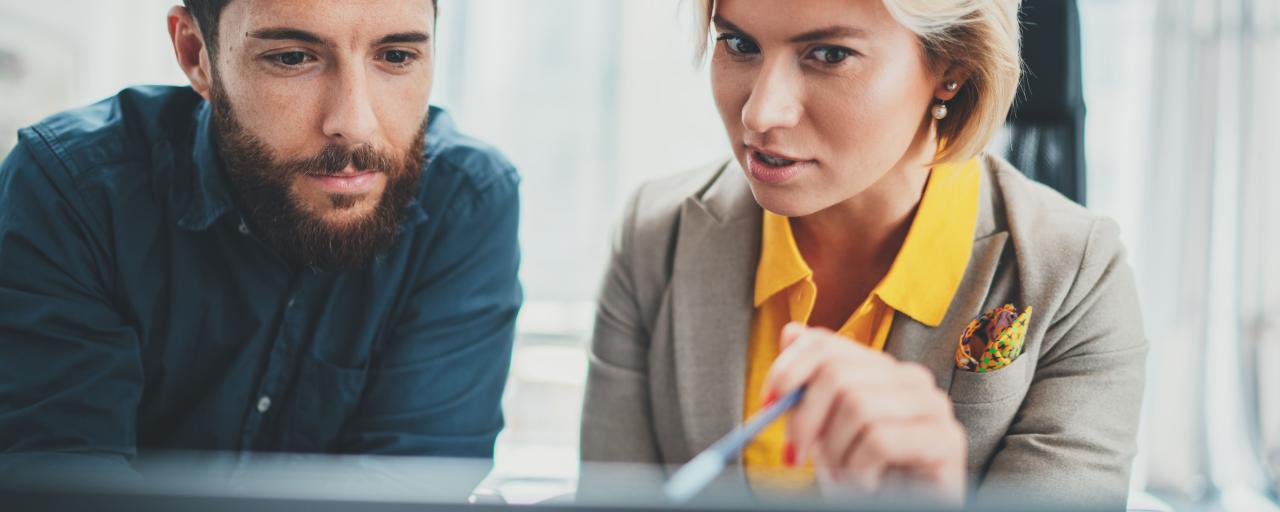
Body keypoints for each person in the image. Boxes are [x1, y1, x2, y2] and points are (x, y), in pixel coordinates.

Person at [580, 0, 1146, 507]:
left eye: (828, 54)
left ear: (953, 68)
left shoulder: (1076, 277)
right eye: (739, 44)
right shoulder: (655, 237)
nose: (760, 113)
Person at [0, 0, 521, 477]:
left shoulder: (465, 202)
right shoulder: (75, 192)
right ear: (196, 54)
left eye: (397, 55)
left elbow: (413, 490)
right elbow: (65, 486)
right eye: (294, 57)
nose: (355, 124)